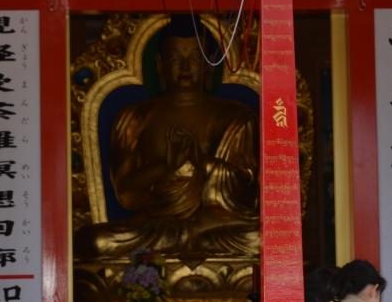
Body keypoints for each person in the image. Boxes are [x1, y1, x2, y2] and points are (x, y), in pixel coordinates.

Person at [75, 14, 259, 259]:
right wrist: (165, 166)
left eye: (195, 58)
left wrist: (203, 163)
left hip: (214, 224)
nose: (185, 67)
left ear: (208, 65)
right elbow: (126, 195)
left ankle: (191, 238)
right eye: (175, 58)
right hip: (156, 226)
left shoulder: (237, 117)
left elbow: (247, 192)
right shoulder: (133, 118)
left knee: (262, 238)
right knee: (95, 241)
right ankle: (190, 240)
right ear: (160, 65)